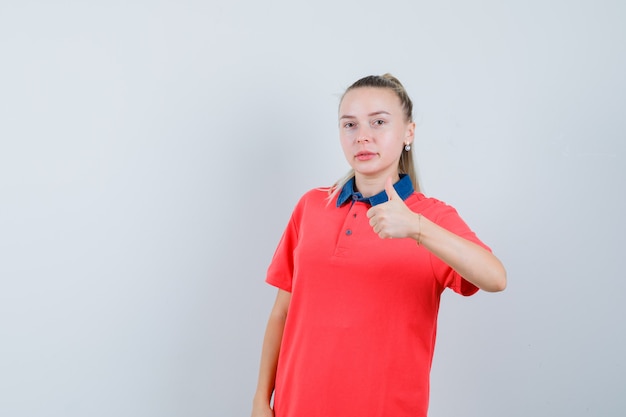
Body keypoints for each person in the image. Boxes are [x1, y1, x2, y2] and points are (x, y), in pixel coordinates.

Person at [251, 73, 507, 417]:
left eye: (379, 122)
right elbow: (282, 312)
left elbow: (495, 278)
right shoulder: (312, 206)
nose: (363, 137)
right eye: (350, 125)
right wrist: (260, 400)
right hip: (295, 408)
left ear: (409, 133)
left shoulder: (431, 217)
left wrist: (417, 228)